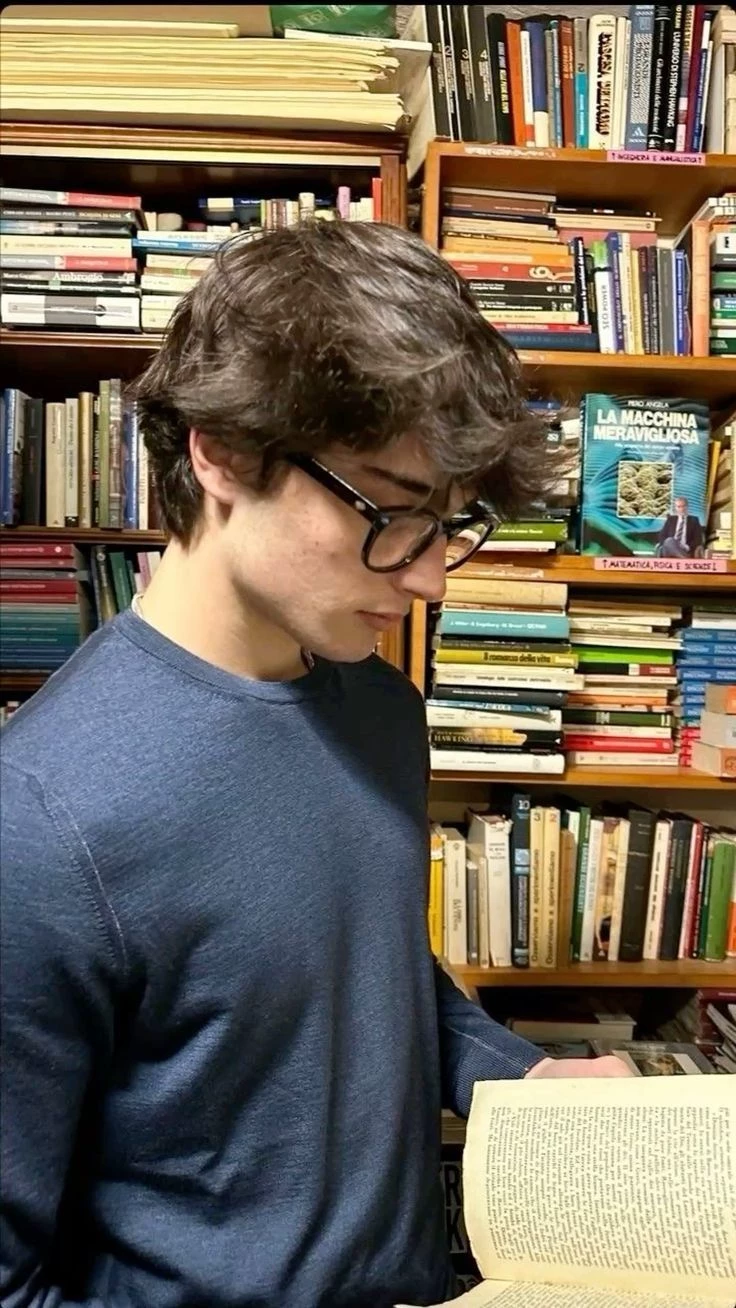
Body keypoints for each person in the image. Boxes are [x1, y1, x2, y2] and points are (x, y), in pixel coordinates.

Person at [0, 222, 631, 1308]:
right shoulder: (41, 821)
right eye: (391, 512)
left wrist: (514, 1071)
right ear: (221, 452)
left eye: (449, 524)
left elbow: (354, 974)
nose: (429, 580)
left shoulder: (379, 706)